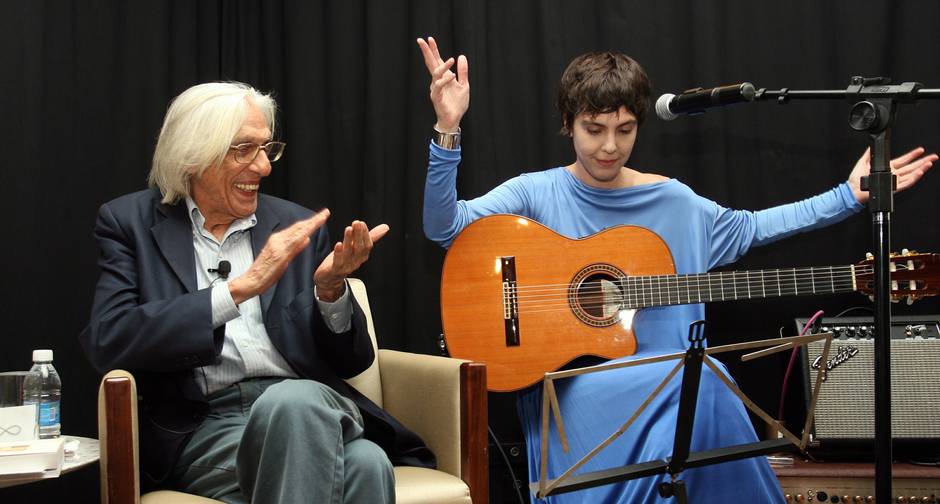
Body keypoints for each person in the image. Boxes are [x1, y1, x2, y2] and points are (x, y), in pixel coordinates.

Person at [416, 37, 935, 502]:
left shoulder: (674, 202)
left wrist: (847, 197)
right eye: (593, 129)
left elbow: (755, 228)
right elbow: (445, 227)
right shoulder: (536, 192)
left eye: (624, 129)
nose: (609, 146)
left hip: (682, 383)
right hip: (577, 392)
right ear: (568, 123)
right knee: (703, 377)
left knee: (701, 377)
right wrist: (448, 129)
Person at [79, 82, 434, 504]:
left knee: (296, 404)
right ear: (194, 154)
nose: (264, 167)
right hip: (205, 426)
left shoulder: (295, 225)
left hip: (310, 406)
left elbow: (352, 360)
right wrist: (236, 291)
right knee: (366, 465)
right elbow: (108, 339)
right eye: (244, 149)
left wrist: (330, 290)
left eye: (267, 148)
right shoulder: (129, 224)